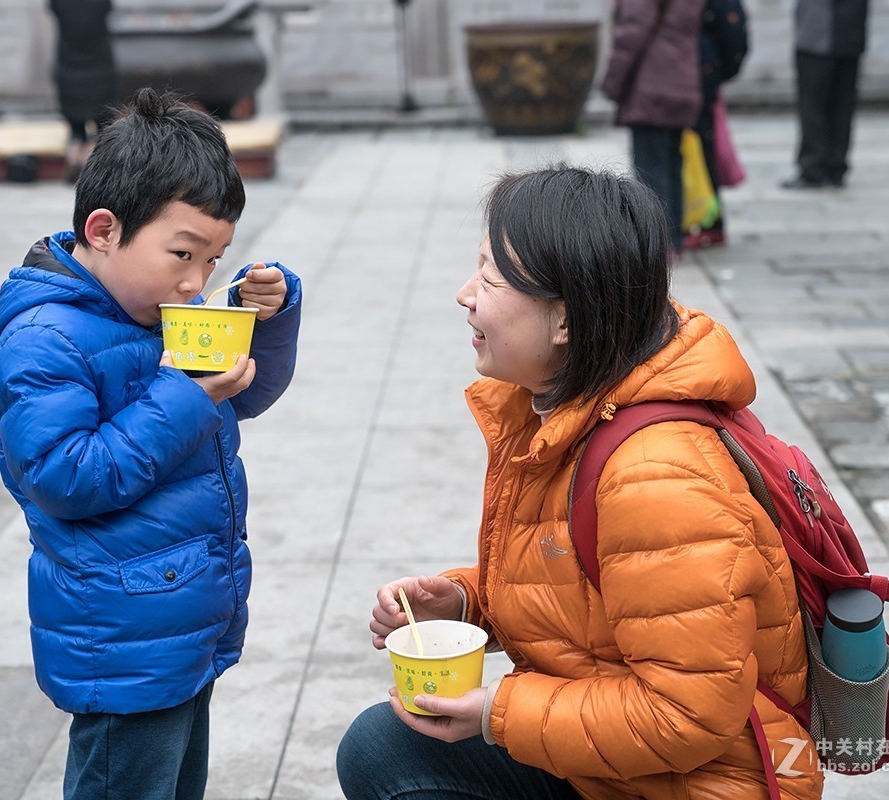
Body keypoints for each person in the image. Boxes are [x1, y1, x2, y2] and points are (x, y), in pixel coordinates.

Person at [336, 166, 823, 800]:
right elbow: (588, 589)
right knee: (384, 746)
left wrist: (495, 712)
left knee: (394, 752)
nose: (464, 294)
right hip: (616, 763)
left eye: (488, 277)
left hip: (695, 780)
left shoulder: (657, 477)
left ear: (566, 321)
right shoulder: (565, 409)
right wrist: (465, 603)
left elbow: (690, 715)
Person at [0, 88, 301, 800]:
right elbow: (67, 477)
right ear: (103, 229)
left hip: (180, 613)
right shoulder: (44, 339)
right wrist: (189, 395)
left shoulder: (156, 305)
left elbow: (245, 393)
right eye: (182, 254)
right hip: (121, 633)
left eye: (213, 261)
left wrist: (269, 320)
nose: (196, 284)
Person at [601, 0, 703, 257]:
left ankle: (658, 245)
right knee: (670, 165)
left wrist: (612, 83)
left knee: (650, 172)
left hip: (651, 83)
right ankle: (673, 241)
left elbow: (633, 31)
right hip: (680, 79)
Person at [782, 0, 869, 189]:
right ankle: (835, 166)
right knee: (841, 106)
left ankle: (814, 168)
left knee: (814, 106)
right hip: (850, 34)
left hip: (818, 36)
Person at [684, 0, 747, 251]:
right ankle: (702, 220)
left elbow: (734, 35)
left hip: (701, 72)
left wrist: (717, 70)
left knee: (702, 147)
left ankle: (710, 221)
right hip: (696, 71)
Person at [47, 0, 116, 182]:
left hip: (68, 67)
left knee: (76, 130)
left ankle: (73, 162)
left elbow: (53, 8)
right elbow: (107, 8)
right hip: (99, 68)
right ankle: (92, 172)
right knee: (101, 128)